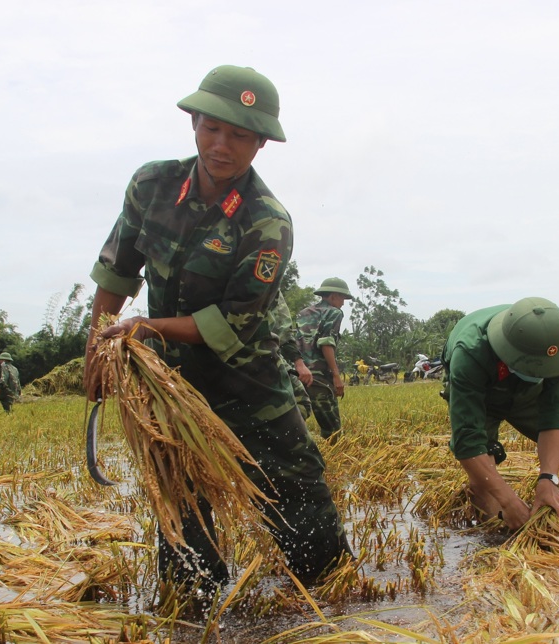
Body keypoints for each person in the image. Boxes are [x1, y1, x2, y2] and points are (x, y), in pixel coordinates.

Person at [82, 65, 352, 593]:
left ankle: (330, 595)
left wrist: (146, 329)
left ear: (260, 145)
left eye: (240, 136)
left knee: (296, 490)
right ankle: (194, 603)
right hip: (167, 382)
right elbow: (116, 271)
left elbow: (231, 325)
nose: (222, 146)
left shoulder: (266, 222)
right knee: (181, 501)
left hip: (246, 382)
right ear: (193, 122)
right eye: (212, 128)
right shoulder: (151, 185)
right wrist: (98, 346)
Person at [440, 297, 559, 531]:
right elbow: (468, 441)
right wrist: (508, 501)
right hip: (480, 393)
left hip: (530, 394)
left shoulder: (558, 349)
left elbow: (555, 414)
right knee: (482, 479)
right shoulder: (470, 353)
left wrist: (549, 479)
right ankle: (500, 547)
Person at [296, 277, 352, 440]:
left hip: (299, 373)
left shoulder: (304, 313)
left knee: (295, 419)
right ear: (333, 296)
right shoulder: (334, 312)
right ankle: (337, 461)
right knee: (332, 430)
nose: (343, 303)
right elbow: (326, 343)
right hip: (319, 376)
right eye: (342, 298)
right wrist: (336, 376)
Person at [272, 292, 313, 420]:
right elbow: (282, 329)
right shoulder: (268, 281)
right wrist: (298, 363)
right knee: (302, 403)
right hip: (260, 354)